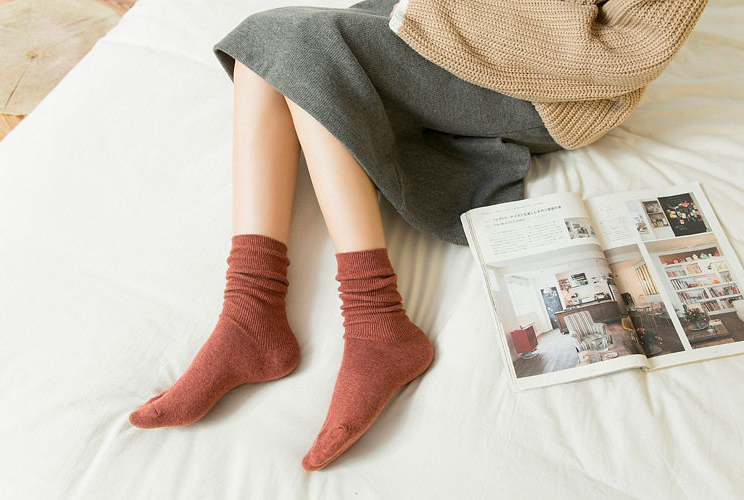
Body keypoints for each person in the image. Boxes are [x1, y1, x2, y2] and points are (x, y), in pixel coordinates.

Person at [128, 0, 708, 470]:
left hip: (538, 84)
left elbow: (622, 56)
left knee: (291, 44)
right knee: (268, 51)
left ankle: (373, 317)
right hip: (439, 23)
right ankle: (250, 310)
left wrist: (441, 20)